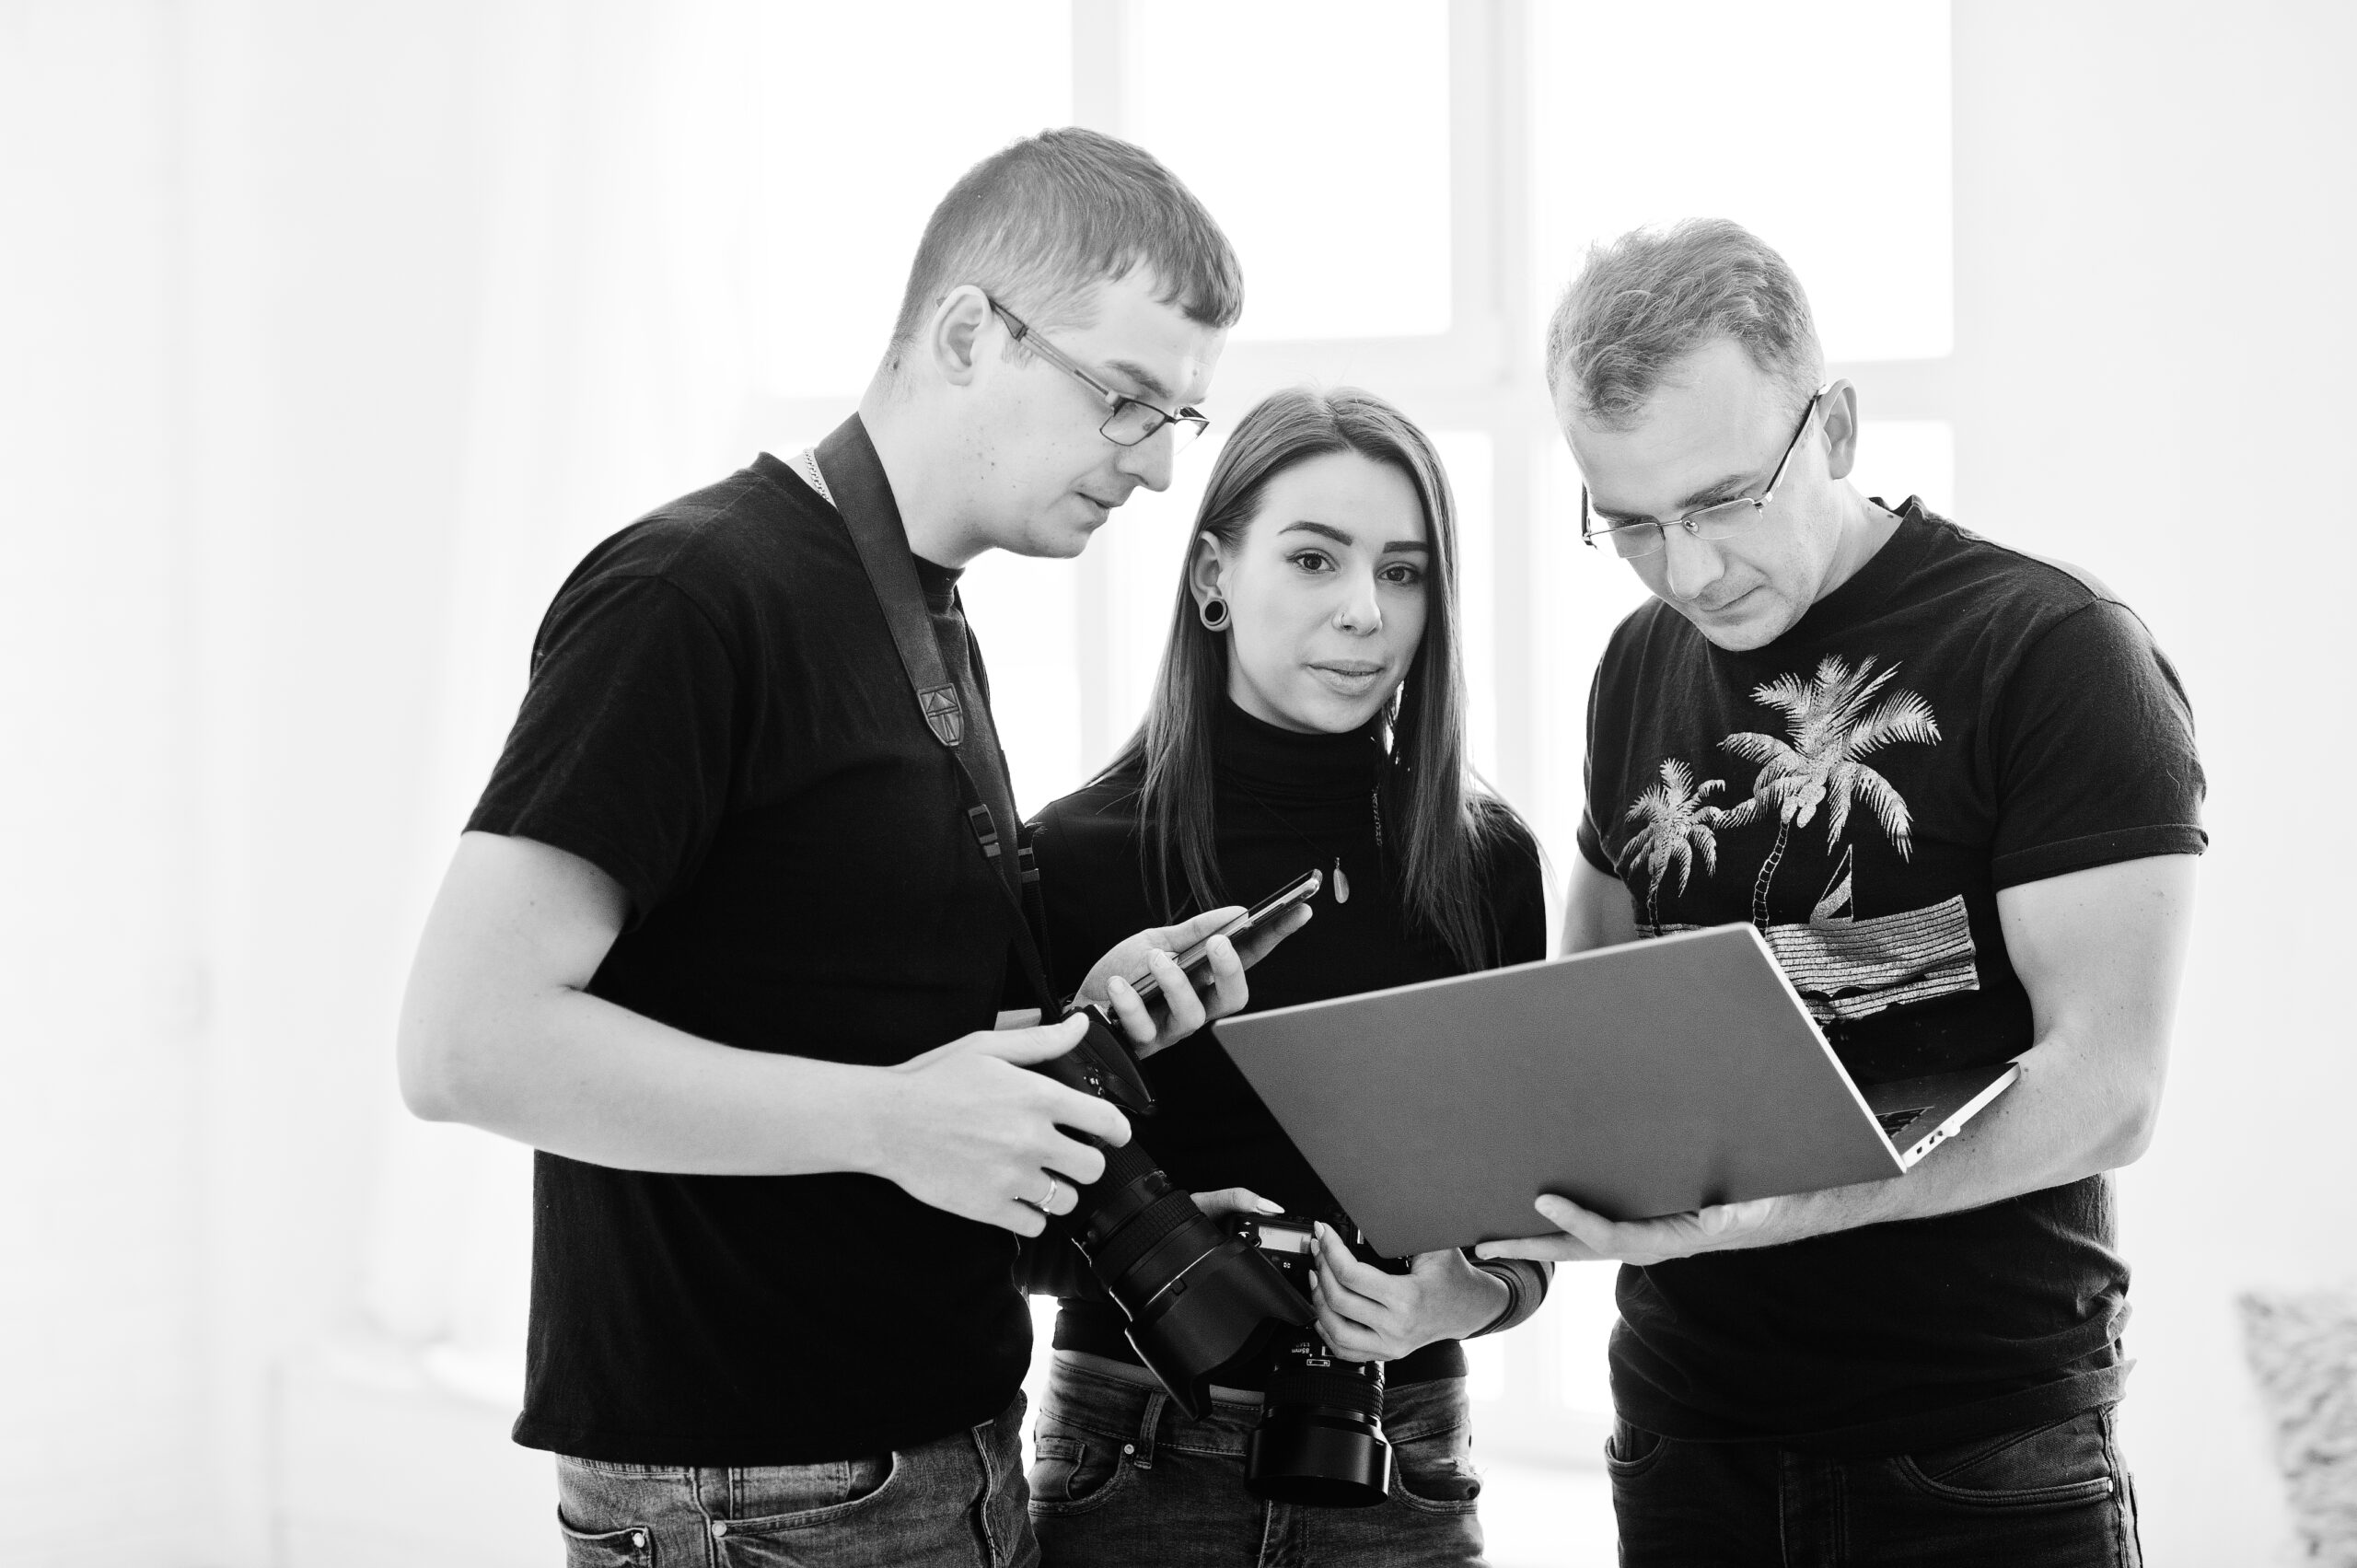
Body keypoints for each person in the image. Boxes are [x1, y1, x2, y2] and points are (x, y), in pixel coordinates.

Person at [395, 129, 1310, 1568]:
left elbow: (844, 1013)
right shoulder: (692, 595)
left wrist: (1072, 1020)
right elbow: (463, 1043)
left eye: (1174, 420)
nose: (1149, 465)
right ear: (966, 332)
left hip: (935, 1458)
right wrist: (890, 1117)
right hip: (759, 1494)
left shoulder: (927, 611)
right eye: (1125, 400)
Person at [1479, 218, 2204, 1566]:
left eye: (1724, 500)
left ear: (1842, 426)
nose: (1687, 569)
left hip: (1975, 1444)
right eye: (1630, 522)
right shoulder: (1637, 661)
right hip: (1686, 1428)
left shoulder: (2052, 651)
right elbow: (1597, 1010)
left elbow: (2109, 1089)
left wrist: (1793, 1207)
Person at [1022, 387, 1553, 1567]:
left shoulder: (1486, 864)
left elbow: (1531, 1233)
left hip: (1398, 1448)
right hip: (1130, 1445)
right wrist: (1153, 1245)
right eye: (1314, 558)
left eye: (1405, 572)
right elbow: (988, 1225)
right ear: (1212, 573)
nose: (1365, 612)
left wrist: (1456, 1298)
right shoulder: (1069, 855)